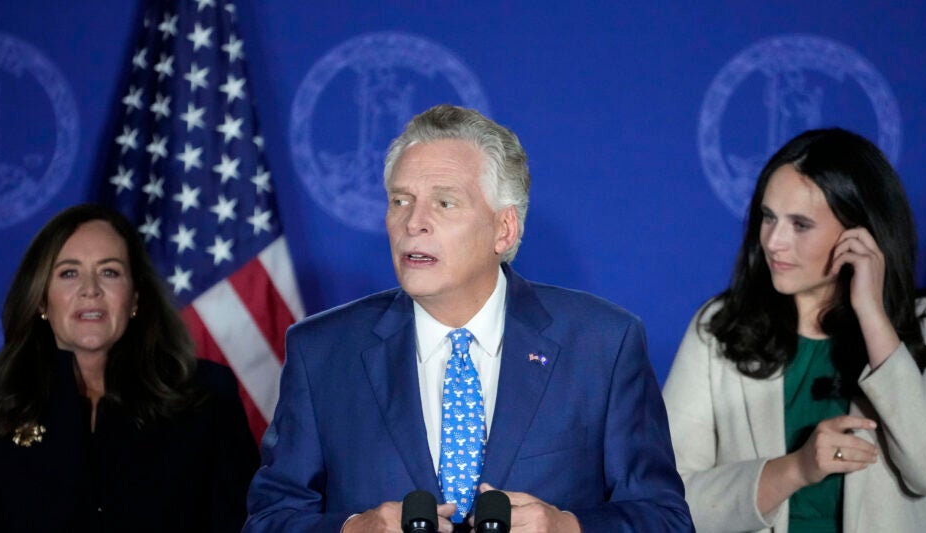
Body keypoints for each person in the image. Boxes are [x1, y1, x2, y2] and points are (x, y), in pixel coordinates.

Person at [244, 104, 692, 532]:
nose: (413, 223)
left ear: (505, 229)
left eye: (444, 203)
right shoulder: (322, 352)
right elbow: (267, 520)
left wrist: (570, 527)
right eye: (401, 201)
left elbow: (665, 518)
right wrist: (348, 529)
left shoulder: (601, 345)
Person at [662, 128, 926, 532]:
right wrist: (795, 469)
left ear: (860, 233)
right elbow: (669, 499)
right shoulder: (720, 325)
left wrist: (874, 317)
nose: (774, 241)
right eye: (768, 217)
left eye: (800, 224)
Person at [0, 204, 260, 532]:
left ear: (134, 299)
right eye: (69, 273)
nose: (90, 289)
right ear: (41, 300)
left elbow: (244, 523)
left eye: (110, 272)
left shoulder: (207, 398)